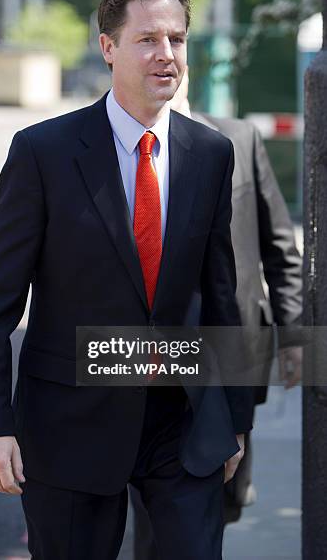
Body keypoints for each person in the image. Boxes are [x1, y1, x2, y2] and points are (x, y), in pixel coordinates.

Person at [0, 0, 253, 560]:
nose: (166, 54)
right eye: (148, 39)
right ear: (108, 47)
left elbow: (222, 292)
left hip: (184, 425)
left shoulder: (210, 154)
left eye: (176, 39)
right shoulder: (43, 152)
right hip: (70, 424)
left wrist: (234, 416)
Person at [128, 69, 302, 560]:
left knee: (223, 495)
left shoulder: (237, 138)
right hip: (156, 359)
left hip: (233, 352)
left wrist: (294, 340)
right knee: (156, 511)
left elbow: (279, 249)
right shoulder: (123, 151)